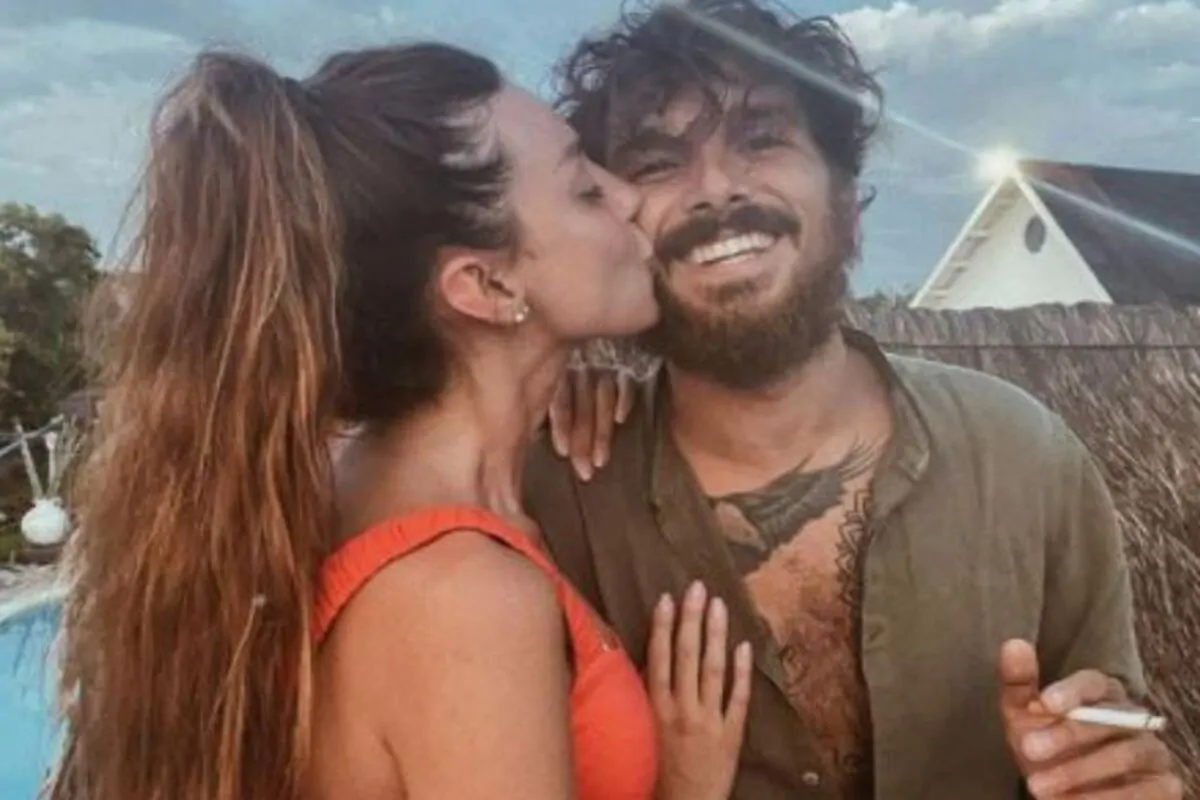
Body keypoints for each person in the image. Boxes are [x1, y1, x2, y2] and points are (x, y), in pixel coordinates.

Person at [47, 42, 753, 800]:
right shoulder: (465, 601)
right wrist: (687, 789)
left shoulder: (340, 486)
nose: (630, 197)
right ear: (485, 285)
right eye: (585, 189)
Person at [522, 1, 1182, 798]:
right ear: (615, 228)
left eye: (762, 137)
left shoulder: (1025, 459)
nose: (717, 188)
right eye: (658, 164)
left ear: (845, 200)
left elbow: (1114, 740)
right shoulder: (556, 505)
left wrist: (1120, 775)